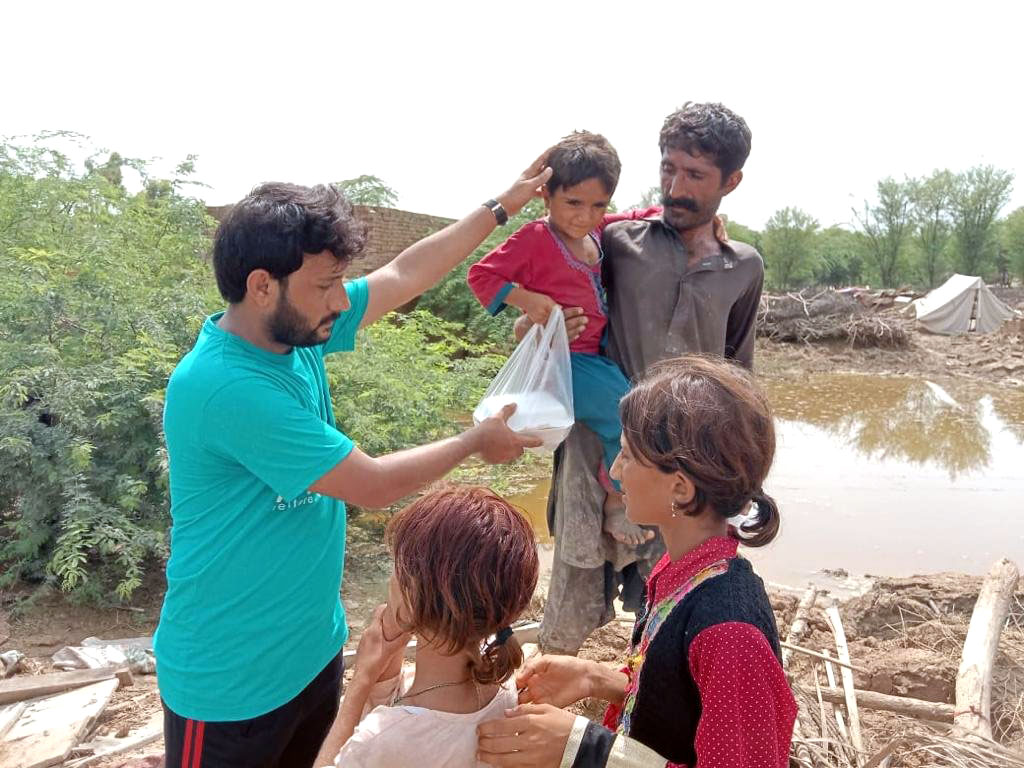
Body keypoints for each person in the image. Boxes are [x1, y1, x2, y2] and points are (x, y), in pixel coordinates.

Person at [155, 154, 551, 768]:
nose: (342, 301)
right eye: (325, 285)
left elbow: (405, 273)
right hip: (230, 680)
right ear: (263, 286)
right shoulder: (224, 386)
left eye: (342, 281)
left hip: (310, 650)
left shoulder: (294, 332)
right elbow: (370, 484)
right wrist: (476, 441)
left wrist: (501, 207)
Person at [477, 356, 797, 768]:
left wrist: (581, 747)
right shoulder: (685, 574)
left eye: (627, 456)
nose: (613, 471)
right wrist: (596, 678)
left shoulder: (729, 634)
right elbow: (678, 693)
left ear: (679, 489)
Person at [534, 102, 765, 655]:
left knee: (671, 610)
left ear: (731, 181)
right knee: (572, 598)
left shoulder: (744, 266)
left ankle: (643, 713)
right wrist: (533, 316)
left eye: (695, 175)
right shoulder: (618, 243)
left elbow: (738, 372)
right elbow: (552, 256)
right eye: (669, 168)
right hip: (597, 447)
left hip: (686, 464)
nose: (675, 186)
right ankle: (547, 718)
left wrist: (744, 470)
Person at [467, 131, 659, 549]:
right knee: (627, 415)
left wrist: (669, 212)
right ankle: (615, 499)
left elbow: (631, 216)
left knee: (628, 408)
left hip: (591, 356)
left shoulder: (593, 233)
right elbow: (480, 275)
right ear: (545, 197)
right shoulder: (537, 238)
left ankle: (618, 488)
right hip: (564, 360)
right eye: (573, 203)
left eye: (597, 205)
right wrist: (527, 299)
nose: (584, 216)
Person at [313, 486, 538, 767]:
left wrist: (360, 682)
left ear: (414, 598)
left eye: (397, 567)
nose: (392, 579)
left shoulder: (383, 738)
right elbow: (405, 706)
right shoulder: (501, 680)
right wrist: (391, 652)